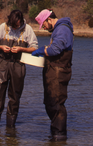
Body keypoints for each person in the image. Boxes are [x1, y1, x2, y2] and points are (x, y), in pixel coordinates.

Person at [0, 9, 38, 130]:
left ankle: (10, 128)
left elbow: (34, 48)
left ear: (21, 20)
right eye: (13, 25)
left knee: (15, 96)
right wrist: (0, 47)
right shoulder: (3, 27)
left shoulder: (28, 29)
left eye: (17, 24)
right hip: (2, 63)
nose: (15, 27)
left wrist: (21, 49)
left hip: (18, 64)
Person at [32, 9, 74, 142]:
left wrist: (42, 50)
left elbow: (55, 49)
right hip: (54, 72)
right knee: (51, 102)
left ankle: (59, 136)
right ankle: (56, 135)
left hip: (58, 73)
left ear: (49, 19)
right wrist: (44, 50)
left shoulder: (62, 29)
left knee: (56, 103)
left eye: (43, 25)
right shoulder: (59, 29)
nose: (44, 28)